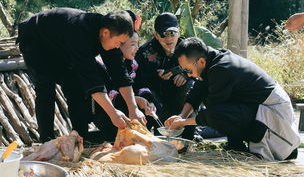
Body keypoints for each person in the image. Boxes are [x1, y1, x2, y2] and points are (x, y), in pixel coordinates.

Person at [17, 8, 146, 142]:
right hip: (36, 40)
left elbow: (120, 74)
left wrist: (133, 109)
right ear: (105, 32)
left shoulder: (110, 35)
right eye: (118, 42)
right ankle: (46, 140)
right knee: (46, 89)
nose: (118, 46)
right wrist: (113, 114)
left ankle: (80, 137)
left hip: (62, 45)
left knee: (76, 87)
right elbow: (93, 81)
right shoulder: (80, 33)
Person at [165, 37, 300, 161]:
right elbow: (197, 91)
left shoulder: (221, 68)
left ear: (200, 61)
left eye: (188, 71)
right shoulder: (210, 60)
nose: (189, 75)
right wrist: (181, 116)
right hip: (257, 110)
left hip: (276, 119)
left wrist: (183, 123)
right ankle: (236, 146)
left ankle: (242, 147)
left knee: (217, 112)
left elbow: (214, 114)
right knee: (214, 104)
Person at [90, 11, 160, 141]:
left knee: (152, 106)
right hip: (107, 113)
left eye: (137, 44)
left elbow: (142, 85)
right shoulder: (101, 64)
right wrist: (136, 100)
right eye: (133, 44)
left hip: (129, 108)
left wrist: (147, 100)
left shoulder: (133, 64)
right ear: (119, 44)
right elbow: (109, 94)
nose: (137, 48)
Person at [135, 12, 196, 139]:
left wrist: (186, 75)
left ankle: (188, 137)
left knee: (191, 87)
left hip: (180, 97)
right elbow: (138, 81)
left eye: (172, 33)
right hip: (156, 98)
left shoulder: (189, 48)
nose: (169, 39)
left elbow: (200, 71)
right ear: (156, 34)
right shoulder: (144, 52)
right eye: (163, 34)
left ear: (178, 32)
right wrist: (156, 78)